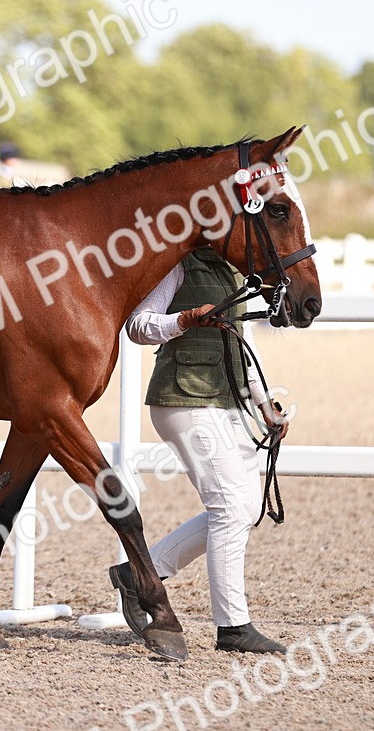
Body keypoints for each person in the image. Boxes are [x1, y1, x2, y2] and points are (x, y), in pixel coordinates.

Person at [108, 246, 288, 654]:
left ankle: (138, 576)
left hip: (225, 401)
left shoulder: (235, 268)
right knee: (229, 507)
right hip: (183, 399)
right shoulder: (177, 263)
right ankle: (233, 627)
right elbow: (138, 325)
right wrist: (183, 320)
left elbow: (245, 342)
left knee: (241, 508)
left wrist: (265, 406)